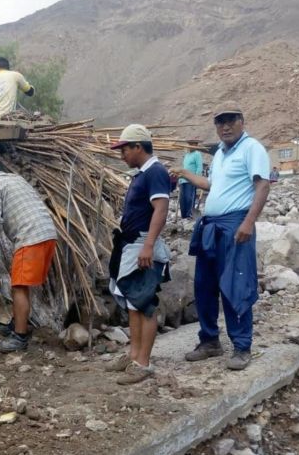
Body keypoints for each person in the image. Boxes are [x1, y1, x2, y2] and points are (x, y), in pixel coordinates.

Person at [171, 101, 270, 371]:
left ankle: (242, 346)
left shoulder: (252, 148)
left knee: (235, 284)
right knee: (204, 285)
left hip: (235, 225)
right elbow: (211, 185)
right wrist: (185, 174)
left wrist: (248, 222)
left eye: (230, 120)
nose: (225, 126)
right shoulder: (220, 155)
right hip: (211, 226)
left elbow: (262, 185)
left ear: (241, 121)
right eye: (220, 122)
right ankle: (210, 340)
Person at [0, 166, 57, 353]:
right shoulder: (16, 179)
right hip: (47, 234)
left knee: (19, 287)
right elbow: (4, 195)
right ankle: (17, 324)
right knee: (22, 284)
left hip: (29, 238)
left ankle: (19, 338)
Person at [105, 125, 170, 385]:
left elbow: (161, 209)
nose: (122, 155)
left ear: (138, 147)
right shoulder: (142, 174)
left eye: (125, 150)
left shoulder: (155, 172)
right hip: (133, 244)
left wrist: (148, 246)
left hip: (143, 243)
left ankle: (143, 363)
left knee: (144, 304)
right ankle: (133, 355)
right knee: (134, 302)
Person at [179, 146, 204, 219]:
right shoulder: (187, 155)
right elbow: (184, 167)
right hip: (183, 179)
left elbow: (199, 167)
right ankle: (183, 216)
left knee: (189, 198)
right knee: (182, 198)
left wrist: (196, 179)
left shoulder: (197, 154)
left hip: (191, 180)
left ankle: (189, 215)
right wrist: (180, 179)